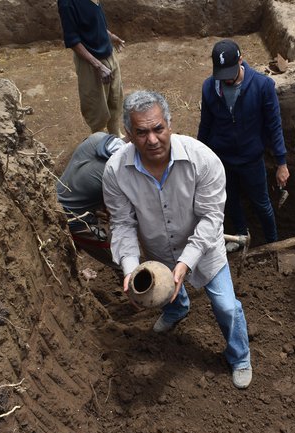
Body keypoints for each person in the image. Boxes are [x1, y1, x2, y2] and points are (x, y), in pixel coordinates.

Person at [102, 90, 253, 389]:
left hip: (205, 250)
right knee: (162, 289)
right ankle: (176, 308)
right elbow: (122, 224)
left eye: (158, 128)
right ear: (129, 135)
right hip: (158, 249)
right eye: (142, 132)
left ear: (170, 124)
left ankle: (240, 356)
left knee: (226, 306)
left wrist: (186, 263)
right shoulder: (116, 171)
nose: (152, 139)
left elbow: (212, 220)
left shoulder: (203, 160)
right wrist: (130, 267)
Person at [198, 39, 290, 250]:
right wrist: (200, 158)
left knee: (262, 203)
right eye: (221, 75)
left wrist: (281, 163)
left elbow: (274, 125)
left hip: (251, 158)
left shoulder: (262, 86)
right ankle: (240, 235)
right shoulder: (209, 87)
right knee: (229, 200)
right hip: (222, 158)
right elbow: (206, 125)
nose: (226, 80)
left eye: (229, 74)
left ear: (241, 60)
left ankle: (272, 243)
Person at [56, 132, 126, 269]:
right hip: (74, 220)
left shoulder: (97, 137)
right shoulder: (116, 173)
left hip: (55, 197)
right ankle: (126, 273)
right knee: (120, 255)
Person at [57, 0, 125, 136]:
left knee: (115, 97)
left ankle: (115, 133)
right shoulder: (67, 3)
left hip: (108, 52)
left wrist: (110, 36)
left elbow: (94, 23)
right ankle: (98, 139)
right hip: (90, 62)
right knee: (96, 105)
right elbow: (73, 41)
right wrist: (98, 65)